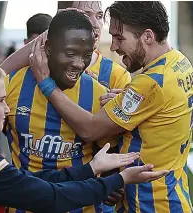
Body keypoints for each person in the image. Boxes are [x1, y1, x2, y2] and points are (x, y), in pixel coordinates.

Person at [29, 2, 193, 213]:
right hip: (172, 191)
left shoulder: (150, 83)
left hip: (153, 203)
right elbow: (161, 108)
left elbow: (90, 129)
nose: (114, 46)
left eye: (120, 38)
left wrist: (47, 85)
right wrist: (128, 99)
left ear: (148, 36)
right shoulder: (179, 62)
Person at [0, 60, 167, 213]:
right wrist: (120, 180)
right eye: (1, 101)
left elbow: (28, 180)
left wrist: (91, 168)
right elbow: (51, 197)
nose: (7, 108)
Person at [4, 9, 123, 213]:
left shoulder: (99, 95)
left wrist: (111, 182)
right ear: (48, 48)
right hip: (23, 206)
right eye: (70, 53)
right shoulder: (11, 86)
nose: (78, 64)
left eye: (86, 55)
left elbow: (109, 155)